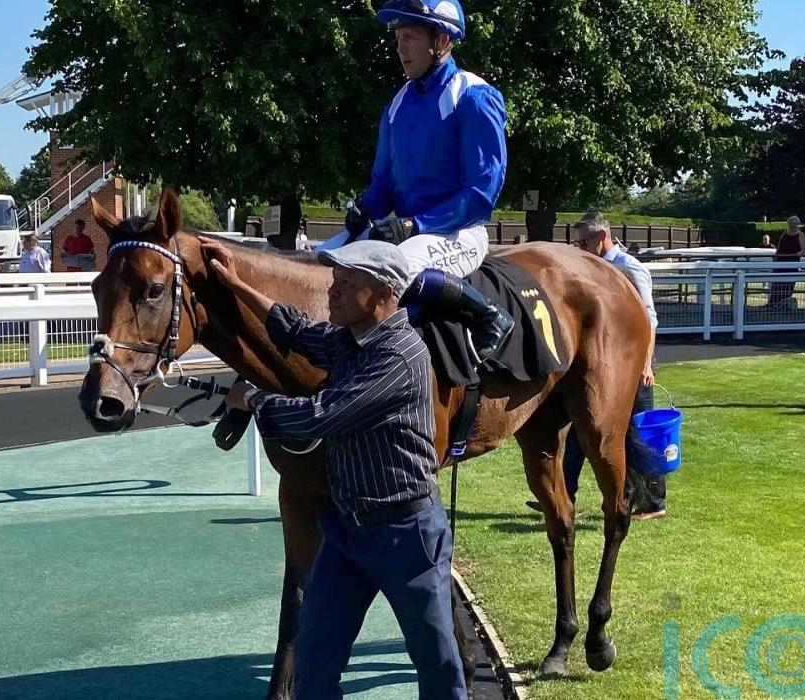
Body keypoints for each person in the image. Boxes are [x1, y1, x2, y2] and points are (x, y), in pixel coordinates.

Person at [202, 236, 466, 699]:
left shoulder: (400, 355)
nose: (332, 290)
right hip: (346, 533)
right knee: (313, 663)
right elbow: (295, 330)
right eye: (334, 280)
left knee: (438, 668)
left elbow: (323, 415)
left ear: (382, 293)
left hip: (407, 535)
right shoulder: (350, 340)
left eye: (346, 283)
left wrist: (255, 399)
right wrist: (236, 283)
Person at [317, 0, 514, 362]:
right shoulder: (397, 104)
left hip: (459, 231)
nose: (400, 48)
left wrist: (415, 225)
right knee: (321, 257)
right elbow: (384, 183)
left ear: (441, 40)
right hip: (407, 230)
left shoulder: (473, 96)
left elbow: (481, 192)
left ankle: (488, 313)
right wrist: (364, 209)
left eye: (409, 37)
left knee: (397, 266)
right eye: (397, 39)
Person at [526, 212, 665, 519]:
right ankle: (565, 492)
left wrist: (645, 364)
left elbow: (649, 319)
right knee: (582, 427)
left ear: (602, 237)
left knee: (637, 429)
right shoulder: (592, 269)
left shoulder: (629, 268)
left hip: (631, 361)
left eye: (584, 242)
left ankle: (654, 501)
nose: (581, 248)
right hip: (604, 361)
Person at [768, 215, 805, 307]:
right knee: (777, 284)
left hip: (792, 262)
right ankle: (773, 304)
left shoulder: (801, 235)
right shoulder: (784, 233)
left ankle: (784, 304)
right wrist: (776, 256)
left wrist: (799, 253)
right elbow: (779, 247)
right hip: (781, 262)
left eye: (795, 223)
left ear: (798, 224)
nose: (793, 225)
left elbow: (804, 249)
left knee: (788, 284)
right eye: (791, 223)